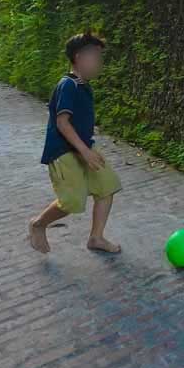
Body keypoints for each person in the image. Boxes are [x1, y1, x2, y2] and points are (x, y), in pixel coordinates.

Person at [29, 32, 122, 255]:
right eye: (96, 57)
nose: (100, 63)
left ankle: (96, 238)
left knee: (107, 186)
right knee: (71, 202)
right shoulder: (68, 85)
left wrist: (86, 149)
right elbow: (62, 123)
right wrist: (84, 151)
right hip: (63, 152)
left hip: (83, 148)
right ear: (79, 57)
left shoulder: (83, 86)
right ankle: (38, 224)